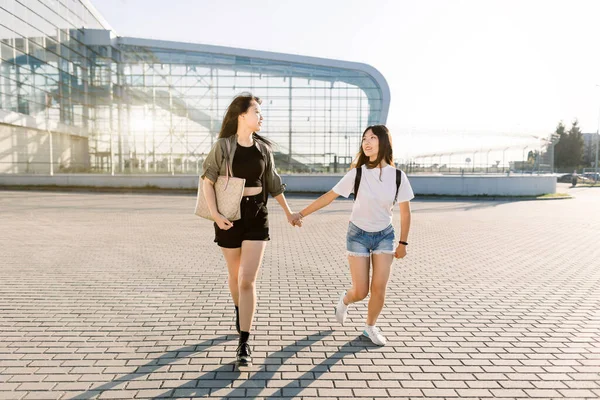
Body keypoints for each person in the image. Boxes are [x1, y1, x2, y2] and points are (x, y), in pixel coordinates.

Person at [291, 125, 413, 346]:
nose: (366, 142)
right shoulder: (357, 173)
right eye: (364, 138)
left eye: (372, 138)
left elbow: (405, 212)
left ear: (384, 142)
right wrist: (301, 213)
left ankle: (370, 327)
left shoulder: (398, 177)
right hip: (358, 235)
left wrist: (403, 242)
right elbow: (329, 197)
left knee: (379, 287)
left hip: (385, 235)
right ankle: (344, 301)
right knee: (361, 291)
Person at [201, 93, 300, 365]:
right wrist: (216, 214)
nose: (261, 116)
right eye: (256, 111)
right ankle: (239, 309)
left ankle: (244, 341)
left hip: (257, 214)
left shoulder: (263, 150)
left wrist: (290, 213)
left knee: (247, 280)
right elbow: (206, 181)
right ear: (241, 115)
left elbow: (274, 184)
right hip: (229, 216)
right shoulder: (223, 146)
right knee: (234, 276)